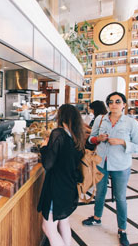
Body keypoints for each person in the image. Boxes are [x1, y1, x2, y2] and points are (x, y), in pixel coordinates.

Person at [82, 92, 138, 246]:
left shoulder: (131, 123)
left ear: (123, 104)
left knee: (120, 197)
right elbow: (91, 138)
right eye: (110, 101)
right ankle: (97, 218)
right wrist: (98, 139)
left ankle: (122, 229)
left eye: (117, 101)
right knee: (100, 192)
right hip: (102, 163)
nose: (113, 104)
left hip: (121, 165)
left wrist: (123, 143)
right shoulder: (100, 119)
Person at [37, 104, 85, 246]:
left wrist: (44, 147)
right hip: (69, 187)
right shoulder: (77, 136)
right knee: (64, 222)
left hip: (57, 188)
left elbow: (48, 163)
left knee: (48, 228)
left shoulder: (58, 133)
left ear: (61, 116)